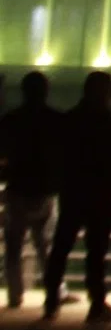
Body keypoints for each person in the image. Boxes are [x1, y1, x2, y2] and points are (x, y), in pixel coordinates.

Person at [44, 70, 111, 322]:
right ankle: (96, 303)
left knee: (61, 246)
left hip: (73, 191)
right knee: (96, 251)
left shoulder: (70, 119)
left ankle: (51, 299)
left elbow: (59, 154)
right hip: (100, 195)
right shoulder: (106, 121)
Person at [1, 70, 62, 308]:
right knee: (46, 246)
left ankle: (15, 294)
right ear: (46, 92)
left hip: (17, 189)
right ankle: (53, 292)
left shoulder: (11, 120)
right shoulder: (55, 120)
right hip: (46, 190)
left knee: (13, 246)